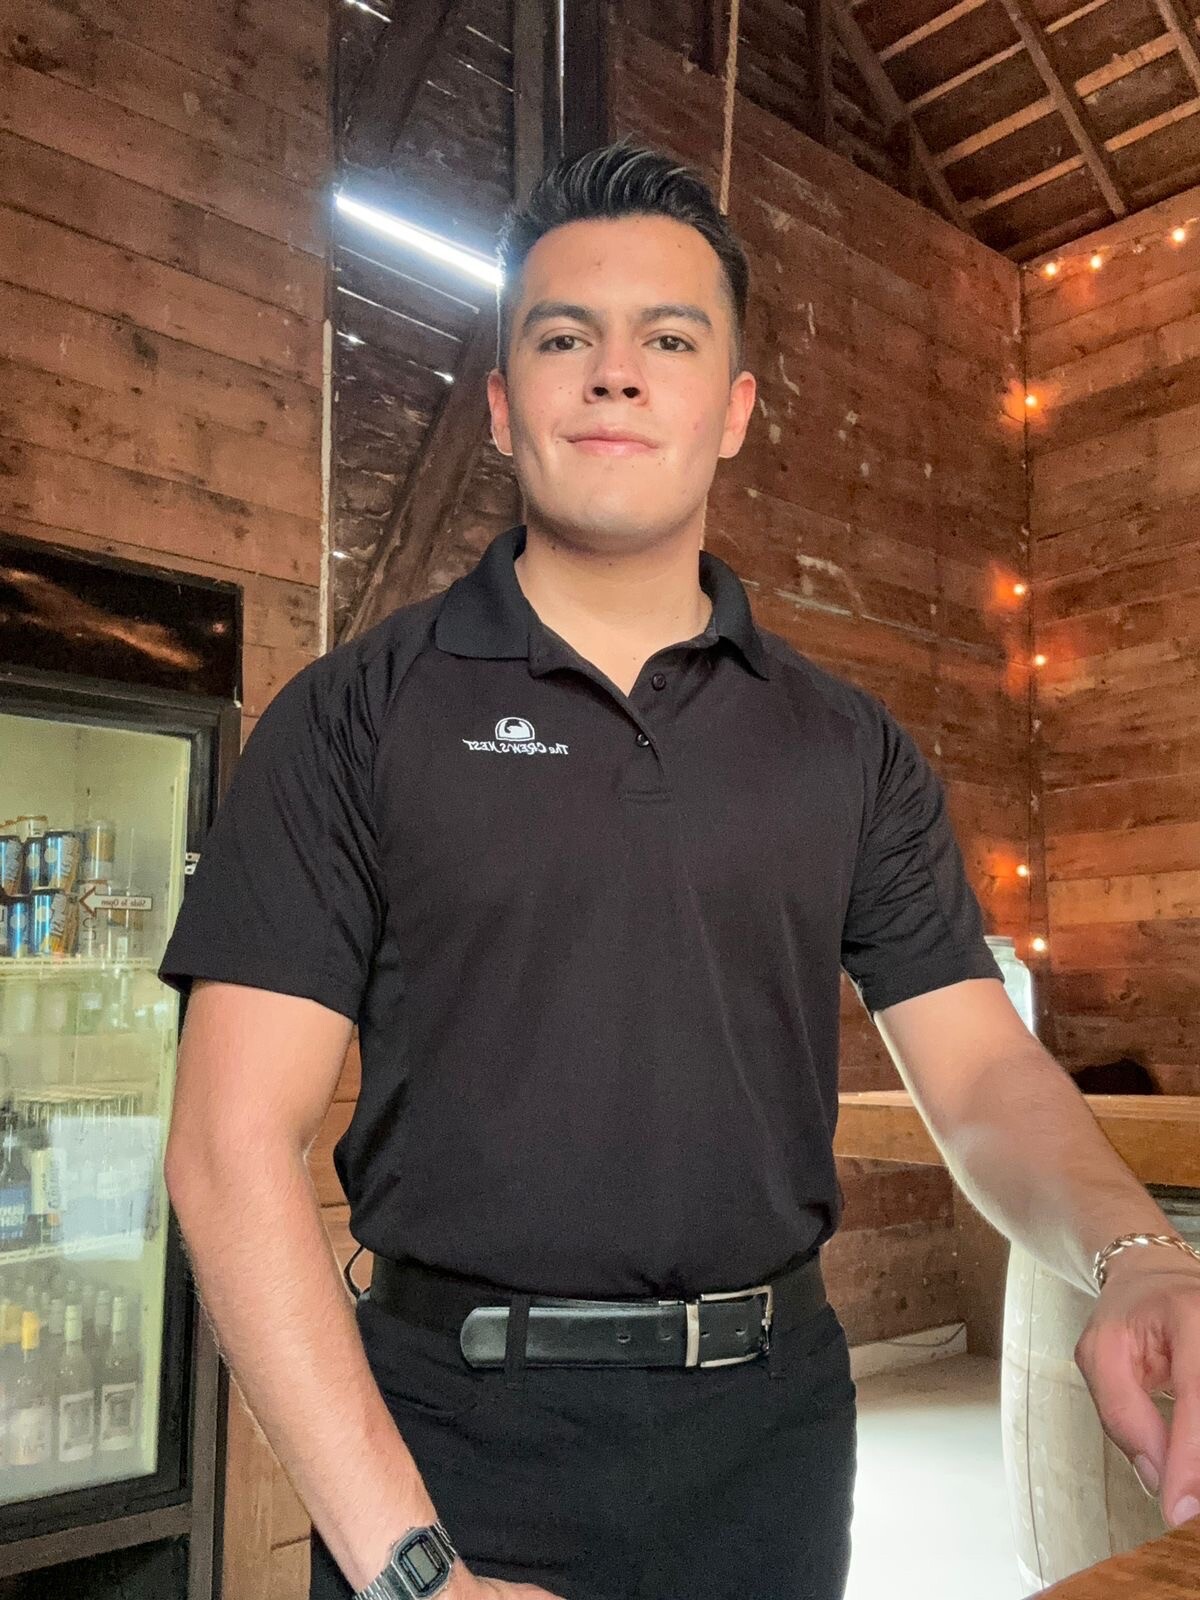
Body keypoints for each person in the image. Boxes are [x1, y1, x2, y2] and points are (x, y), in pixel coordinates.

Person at [159, 140, 1009, 1600]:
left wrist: (1133, 1251)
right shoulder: (353, 716)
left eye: (668, 340)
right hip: (446, 1453)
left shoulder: (849, 747)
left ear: (734, 410)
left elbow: (985, 1072)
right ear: (503, 405)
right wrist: (413, 1571)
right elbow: (228, 1146)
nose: (615, 374)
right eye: (565, 339)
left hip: (775, 1444)